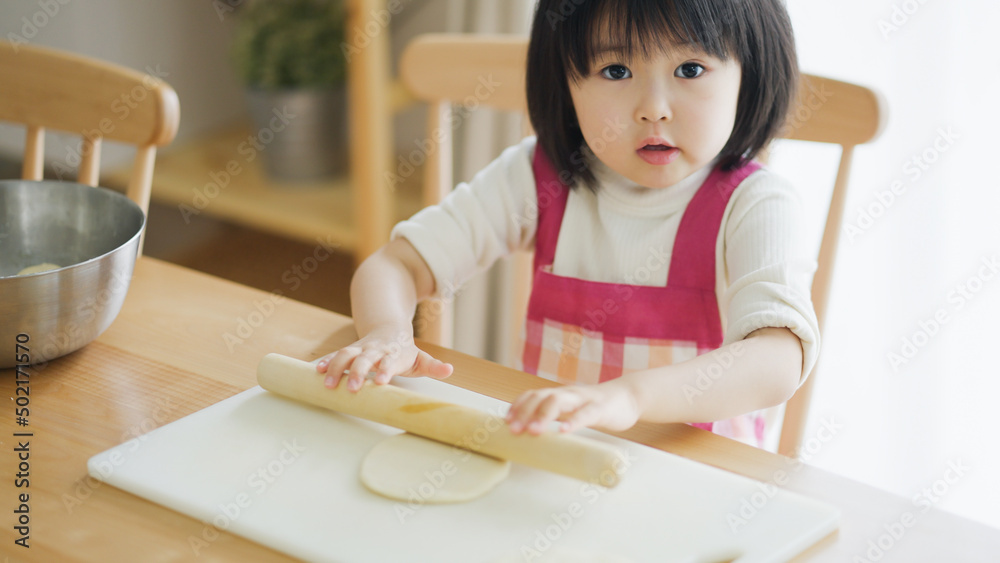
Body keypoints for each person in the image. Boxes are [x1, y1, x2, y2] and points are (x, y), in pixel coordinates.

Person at [316, 0, 818, 450]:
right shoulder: (541, 178)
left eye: (690, 68)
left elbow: (777, 360)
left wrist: (630, 398)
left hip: (694, 482)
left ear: (747, 75)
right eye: (616, 69)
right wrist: (388, 333)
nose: (653, 109)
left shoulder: (755, 204)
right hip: (555, 458)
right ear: (566, 84)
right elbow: (396, 265)